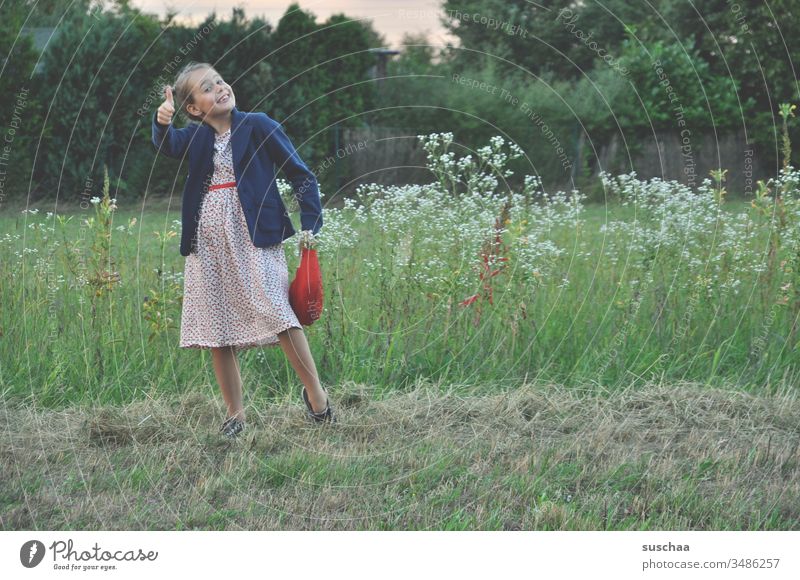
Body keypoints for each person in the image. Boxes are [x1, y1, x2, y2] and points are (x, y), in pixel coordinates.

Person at [152, 61, 335, 437]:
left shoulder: (259, 125)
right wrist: (162, 121)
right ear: (193, 108)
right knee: (218, 327)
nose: (220, 87)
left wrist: (310, 226)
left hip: (256, 235)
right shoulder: (196, 136)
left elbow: (302, 175)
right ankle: (235, 416)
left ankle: (317, 397)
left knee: (279, 311)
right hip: (209, 241)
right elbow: (167, 145)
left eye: (220, 80)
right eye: (207, 87)